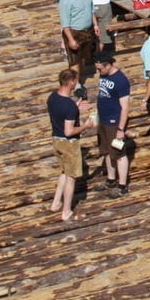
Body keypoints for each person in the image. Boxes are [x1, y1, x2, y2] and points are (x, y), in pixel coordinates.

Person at [47, 69, 96, 222]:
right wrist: (86, 126)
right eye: (75, 81)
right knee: (71, 177)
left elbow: (62, 113)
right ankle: (66, 211)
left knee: (64, 171)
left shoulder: (52, 97)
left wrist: (76, 106)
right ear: (71, 82)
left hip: (56, 140)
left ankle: (55, 203)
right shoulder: (69, 107)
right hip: (69, 143)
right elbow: (69, 131)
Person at [94, 52, 131, 197]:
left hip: (114, 122)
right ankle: (111, 179)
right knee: (106, 151)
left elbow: (125, 106)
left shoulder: (120, 81)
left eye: (100, 69)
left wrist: (121, 128)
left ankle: (122, 185)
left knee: (119, 153)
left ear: (108, 65)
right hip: (103, 120)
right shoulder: (104, 75)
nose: (98, 72)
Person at [59, 0, 96, 79]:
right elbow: (65, 24)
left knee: (84, 58)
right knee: (74, 60)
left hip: (88, 31)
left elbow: (91, 9)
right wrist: (70, 39)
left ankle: (77, 78)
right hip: (74, 32)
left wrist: (95, 25)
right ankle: (76, 84)